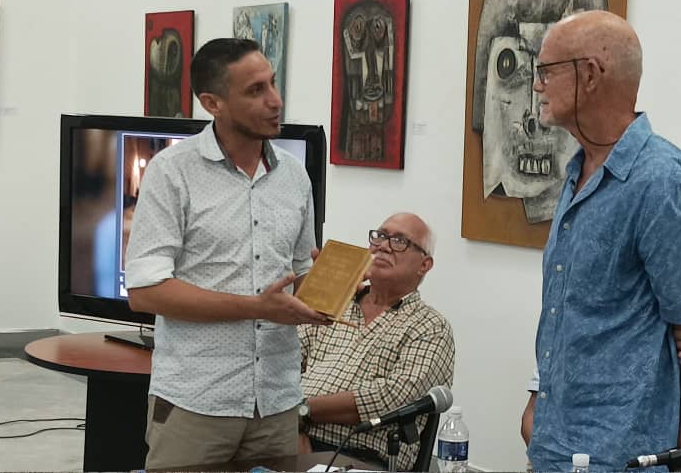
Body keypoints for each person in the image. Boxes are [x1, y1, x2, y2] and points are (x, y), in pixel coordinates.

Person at [526, 10, 681, 472]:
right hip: (556, 443)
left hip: (623, 454)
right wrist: (538, 400)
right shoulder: (578, 170)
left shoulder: (661, 180)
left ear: (589, 74)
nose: (537, 85)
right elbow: (575, 312)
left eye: (547, 71)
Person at [124, 38, 330, 469]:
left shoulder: (294, 178)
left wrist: (330, 290)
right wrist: (256, 307)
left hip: (276, 403)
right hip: (196, 402)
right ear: (212, 102)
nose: (275, 101)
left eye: (273, 84)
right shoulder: (172, 173)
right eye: (255, 91)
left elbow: (298, 279)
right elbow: (145, 292)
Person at [297, 213, 455, 471]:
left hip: (361, 455)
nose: (383, 245)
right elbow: (284, 365)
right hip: (292, 435)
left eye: (399, 241)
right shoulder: (335, 304)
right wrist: (293, 424)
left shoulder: (430, 326)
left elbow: (391, 398)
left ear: (424, 265)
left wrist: (301, 410)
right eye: (380, 236)